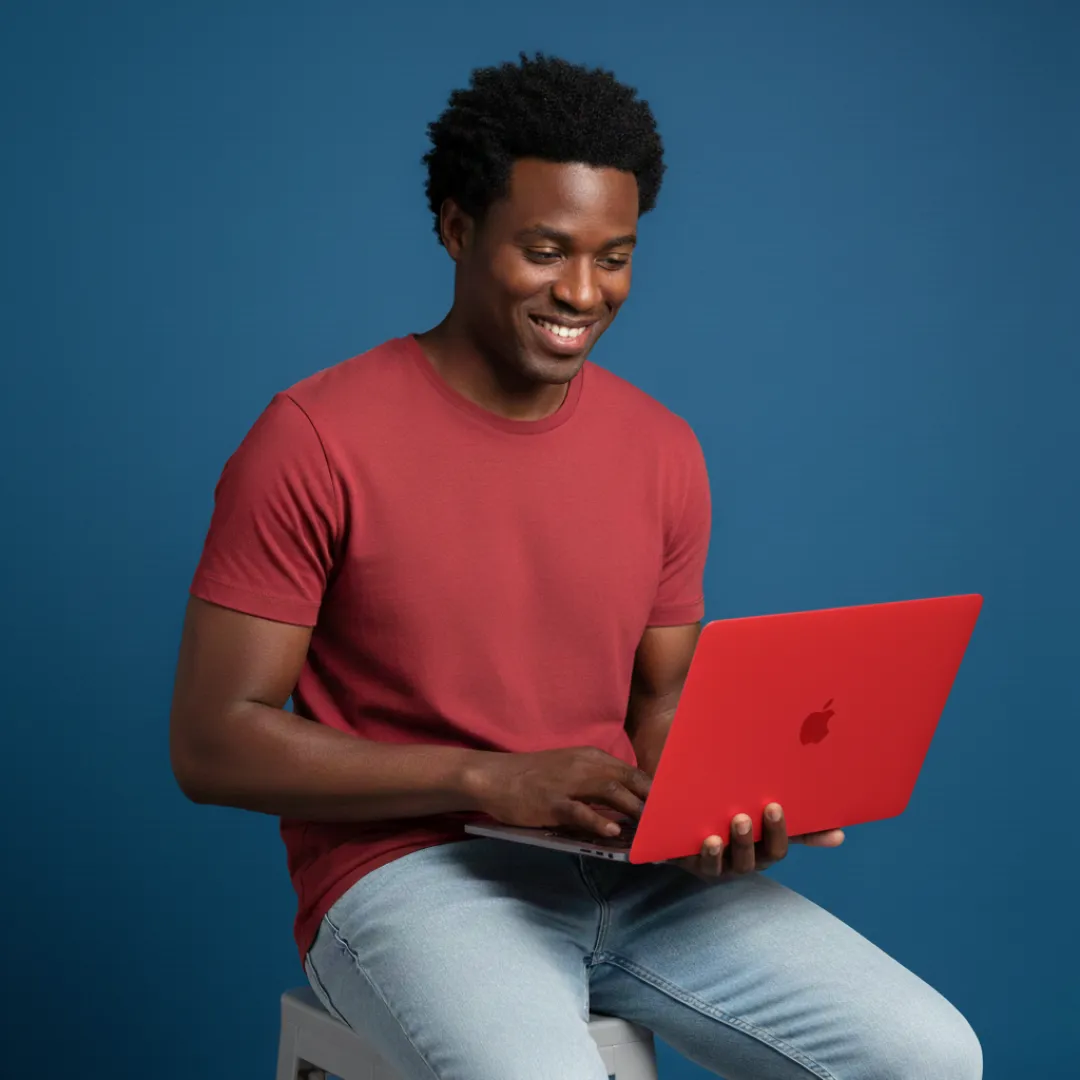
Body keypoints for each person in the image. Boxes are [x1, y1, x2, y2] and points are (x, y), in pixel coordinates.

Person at [170, 53, 982, 1080]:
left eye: (615, 256)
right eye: (547, 251)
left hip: (631, 874)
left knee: (929, 1055)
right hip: (408, 875)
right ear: (458, 228)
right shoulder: (313, 437)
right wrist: (489, 779)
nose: (583, 293)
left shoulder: (663, 449)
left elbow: (662, 700)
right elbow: (210, 743)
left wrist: (716, 804)